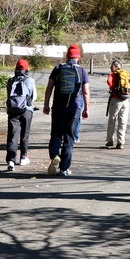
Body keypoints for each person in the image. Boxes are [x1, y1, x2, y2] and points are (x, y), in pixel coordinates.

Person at [44, 44, 90, 177]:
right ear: (78, 57)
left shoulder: (58, 68)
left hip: (58, 107)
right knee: (69, 137)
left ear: (67, 56)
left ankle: (54, 155)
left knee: (56, 134)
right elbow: (86, 91)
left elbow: (49, 88)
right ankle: (64, 168)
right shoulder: (81, 71)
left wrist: (46, 104)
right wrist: (86, 108)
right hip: (74, 108)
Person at [5, 59, 36, 171]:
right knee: (25, 134)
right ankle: (23, 157)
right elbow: (34, 97)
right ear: (26, 69)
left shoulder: (10, 81)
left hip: (13, 111)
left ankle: (11, 161)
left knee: (13, 135)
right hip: (26, 110)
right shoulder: (30, 80)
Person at [105, 60, 130, 149]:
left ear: (115, 67)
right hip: (125, 100)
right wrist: (127, 91)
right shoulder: (125, 75)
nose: (110, 68)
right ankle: (120, 142)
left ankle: (110, 141)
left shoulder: (113, 75)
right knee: (122, 122)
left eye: (112, 66)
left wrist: (114, 89)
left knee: (112, 120)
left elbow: (109, 82)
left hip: (115, 100)